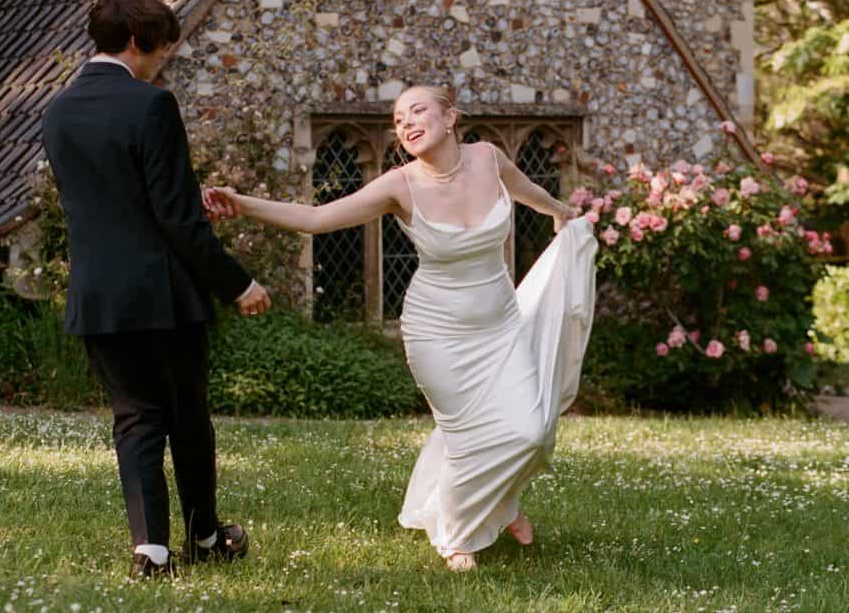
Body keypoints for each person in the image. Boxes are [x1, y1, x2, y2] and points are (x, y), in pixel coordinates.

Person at [204, 85, 598, 571]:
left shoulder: (489, 158)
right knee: (468, 436)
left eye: (418, 111)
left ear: (450, 117)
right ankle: (457, 538)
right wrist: (241, 203)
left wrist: (560, 214)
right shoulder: (399, 185)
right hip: (437, 334)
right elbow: (315, 217)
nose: (406, 123)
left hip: (500, 327)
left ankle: (500, 504)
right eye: (397, 119)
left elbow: (528, 192)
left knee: (532, 431)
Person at [41, 0, 271, 579]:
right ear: (139, 43)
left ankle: (152, 550)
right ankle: (204, 535)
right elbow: (175, 219)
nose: (161, 63)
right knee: (188, 415)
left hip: (99, 293)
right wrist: (237, 283)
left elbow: (108, 199)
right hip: (163, 295)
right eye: (162, 52)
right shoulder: (151, 106)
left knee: (136, 417)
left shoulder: (57, 109)